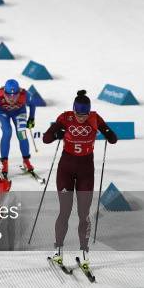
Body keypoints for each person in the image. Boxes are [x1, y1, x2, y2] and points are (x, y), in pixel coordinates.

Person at [43, 90, 117, 271]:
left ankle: (84, 254)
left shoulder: (94, 118)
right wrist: (56, 133)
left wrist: (108, 133)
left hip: (86, 170)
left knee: (84, 213)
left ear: (89, 111)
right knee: (65, 211)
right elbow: (45, 138)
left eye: (84, 115)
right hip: (66, 169)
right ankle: (58, 252)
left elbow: (112, 138)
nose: (81, 118)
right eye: (78, 114)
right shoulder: (65, 117)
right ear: (73, 110)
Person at [0, 79, 36, 177]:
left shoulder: (25, 94)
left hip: (19, 112)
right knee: (7, 132)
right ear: (4, 92)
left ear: (19, 92)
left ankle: (26, 160)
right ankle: (4, 162)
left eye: (15, 96)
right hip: (2, 112)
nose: (12, 99)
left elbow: (32, 104)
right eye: (8, 96)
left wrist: (31, 118)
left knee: (22, 133)